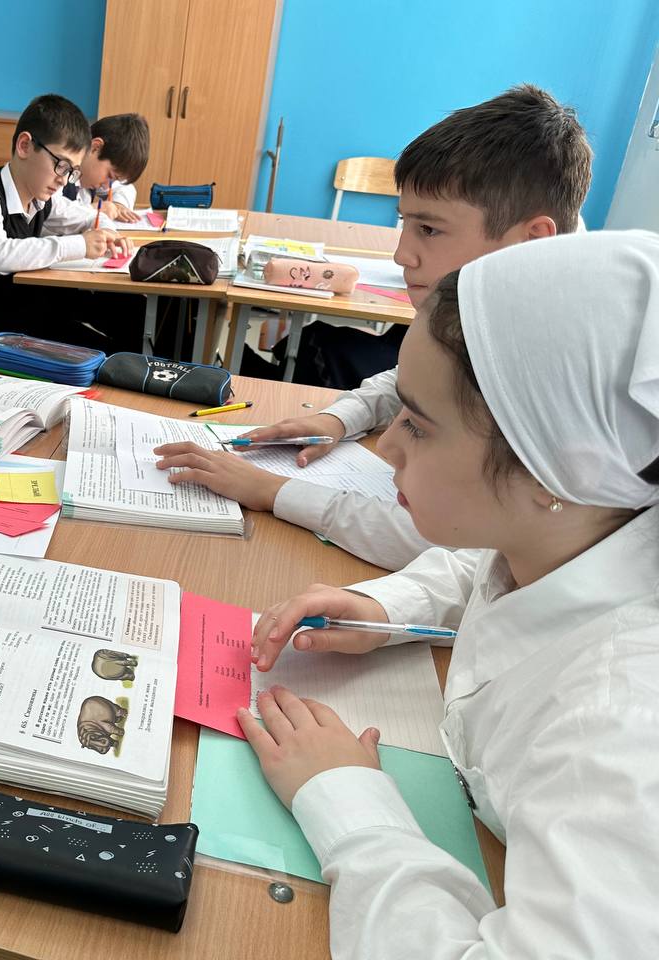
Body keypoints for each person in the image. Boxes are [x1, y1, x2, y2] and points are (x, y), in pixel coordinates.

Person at [239, 230, 659, 959]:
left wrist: (348, 803)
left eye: (419, 425)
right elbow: (484, 567)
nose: (388, 447)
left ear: (553, 470)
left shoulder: (622, 725)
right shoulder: (588, 524)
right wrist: (388, 608)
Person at [155, 84, 592, 570]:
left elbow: (453, 549)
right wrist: (338, 419)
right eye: (405, 223)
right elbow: (414, 381)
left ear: (530, 240)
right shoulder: (506, 299)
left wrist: (274, 491)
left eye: (429, 229)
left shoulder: (563, 365)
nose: (402, 254)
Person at [0, 94, 140, 351]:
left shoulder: (42, 199)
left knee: (129, 312)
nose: (64, 180)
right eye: (61, 165)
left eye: (72, 172)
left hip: (26, 308)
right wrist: (79, 245)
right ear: (24, 146)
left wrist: (109, 234)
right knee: (104, 354)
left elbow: (88, 216)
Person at [62, 113, 150, 223]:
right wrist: (94, 210)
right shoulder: (60, 173)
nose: (107, 186)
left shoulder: (88, 174)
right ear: (95, 147)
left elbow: (126, 187)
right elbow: (53, 216)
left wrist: (118, 205)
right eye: (109, 176)